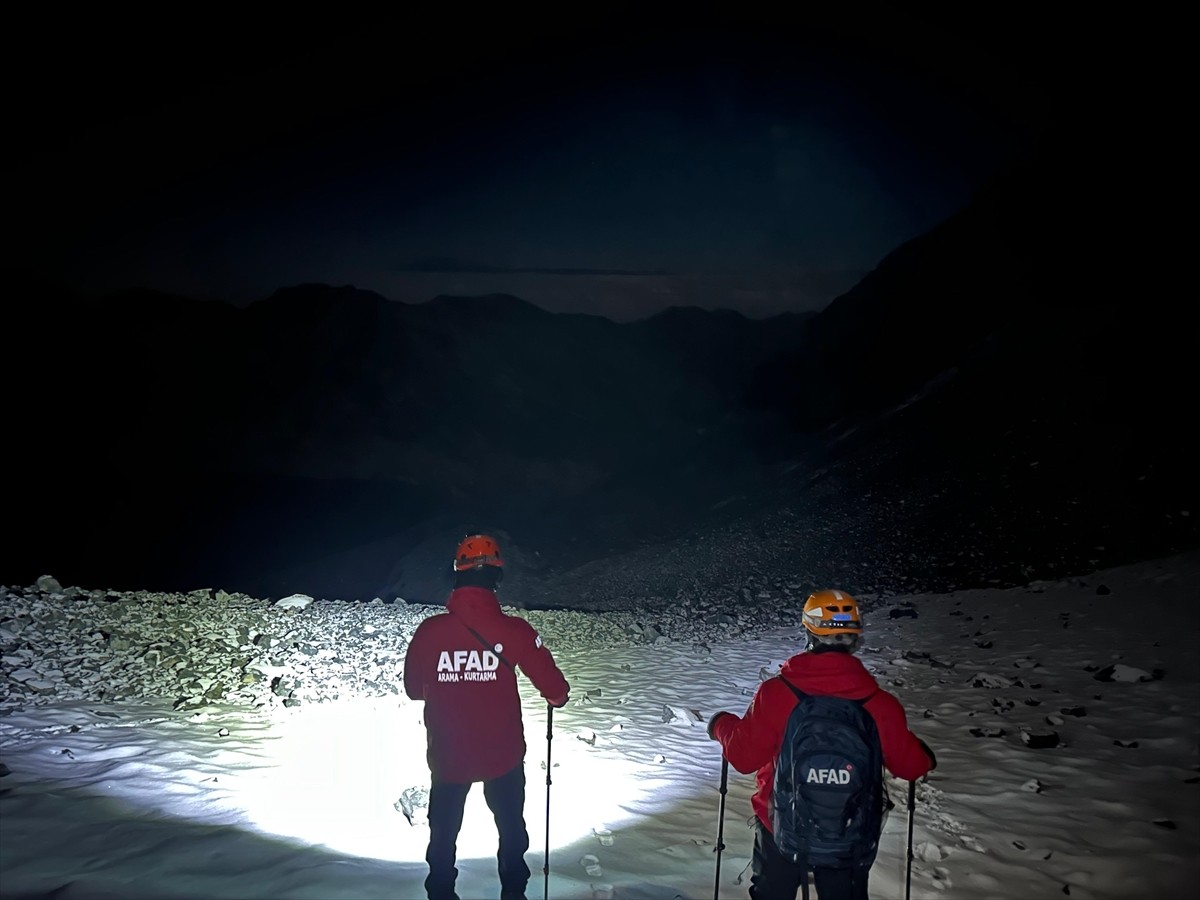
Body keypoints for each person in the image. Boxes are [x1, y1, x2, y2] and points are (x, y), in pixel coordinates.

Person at [706, 589, 936, 900]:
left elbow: (744, 757)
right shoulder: (880, 704)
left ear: (809, 631)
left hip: (781, 824)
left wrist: (721, 725)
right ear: (854, 638)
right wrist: (922, 755)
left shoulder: (776, 694)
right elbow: (911, 767)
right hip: (850, 829)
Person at [403, 533, 570, 900]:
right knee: (511, 828)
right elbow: (556, 692)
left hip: (449, 755)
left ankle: (441, 890)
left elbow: (414, 689)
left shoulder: (430, 633)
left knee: (444, 832)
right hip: (503, 754)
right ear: (497, 577)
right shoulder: (517, 632)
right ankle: (514, 890)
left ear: (457, 575)